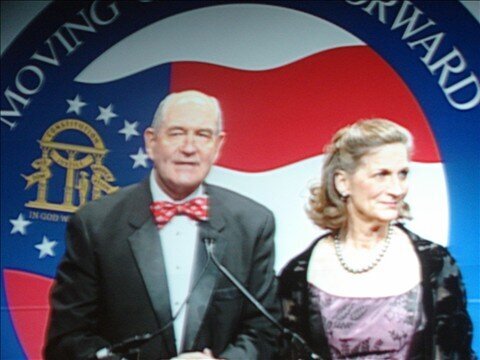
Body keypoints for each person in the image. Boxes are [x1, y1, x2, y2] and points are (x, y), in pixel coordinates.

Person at [45, 90, 279, 360]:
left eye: (202, 135)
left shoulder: (253, 225)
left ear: (217, 146)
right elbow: (67, 341)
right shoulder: (95, 224)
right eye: (177, 133)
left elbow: (266, 334)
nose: (189, 148)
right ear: (151, 142)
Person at [279, 119, 475, 359]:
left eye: (402, 174)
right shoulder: (299, 274)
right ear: (343, 183)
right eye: (381, 174)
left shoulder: (436, 263)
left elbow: (457, 352)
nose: (397, 189)